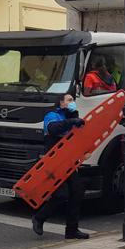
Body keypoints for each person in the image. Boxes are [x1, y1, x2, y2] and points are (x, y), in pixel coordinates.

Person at [31, 93, 90, 239]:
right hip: (54, 162)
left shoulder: (72, 119)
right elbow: (53, 129)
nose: (72, 102)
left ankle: (72, 230)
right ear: (61, 103)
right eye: (69, 100)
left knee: (77, 191)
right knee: (61, 195)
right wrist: (72, 121)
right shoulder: (52, 115)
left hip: (68, 162)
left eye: (73, 100)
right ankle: (39, 218)